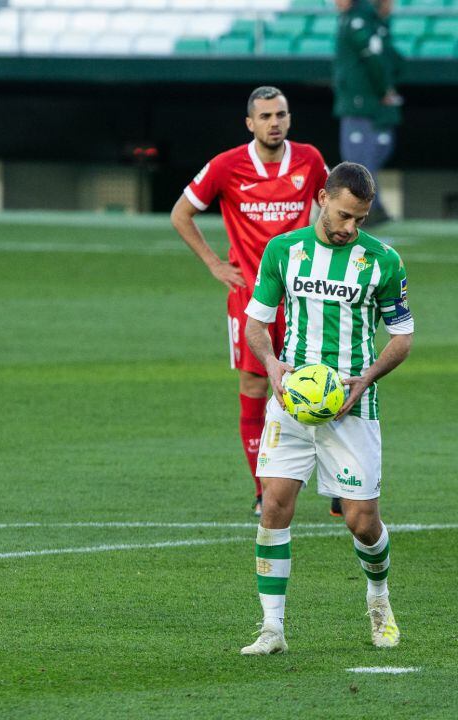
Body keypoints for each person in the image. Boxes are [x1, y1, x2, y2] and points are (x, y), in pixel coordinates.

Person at [239, 162, 413, 655]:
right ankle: (272, 628)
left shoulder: (383, 261)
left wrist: (367, 380)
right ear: (321, 198)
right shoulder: (283, 251)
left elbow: (402, 337)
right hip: (292, 400)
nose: (349, 228)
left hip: (352, 407)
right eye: (343, 216)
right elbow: (257, 323)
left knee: (361, 520)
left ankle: (378, 598)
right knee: (273, 503)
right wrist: (272, 366)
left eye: (359, 219)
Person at [171, 86, 329, 518]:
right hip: (250, 298)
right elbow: (181, 212)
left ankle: (338, 482)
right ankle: (263, 491)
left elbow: (334, 203)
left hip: (302, 295)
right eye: (265, 116)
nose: (274, 123)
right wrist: (214, 264)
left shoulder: (310, 160)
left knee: (325, 381)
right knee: (255, 388)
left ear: (289, 118)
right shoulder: (227, 166)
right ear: (250, 123)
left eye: (280, 114)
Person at [334, 0, 403, 225]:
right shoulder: (366, 21)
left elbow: (377, 58)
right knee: (360, 159)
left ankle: (371, 207)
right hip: (361, 100)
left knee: (358, 159)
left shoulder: (359, 21)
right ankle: (376, 206)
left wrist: (384, 88)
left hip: (360, 102)